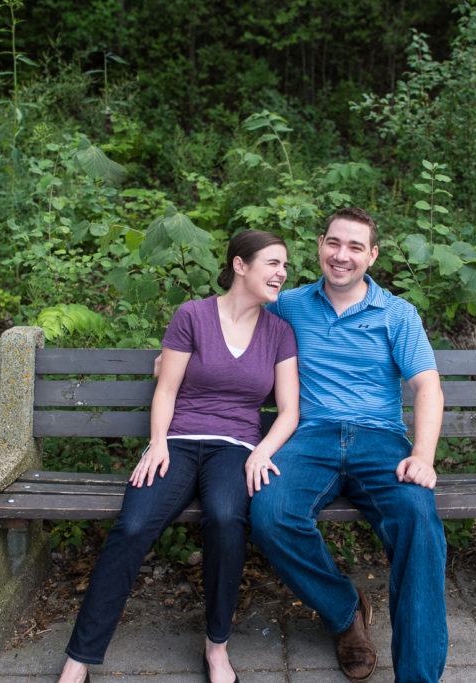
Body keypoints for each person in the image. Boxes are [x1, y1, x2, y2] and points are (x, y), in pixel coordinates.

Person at [58, 230, 300, 683]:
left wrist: (262, 452)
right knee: (132, 526)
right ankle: (81, 655)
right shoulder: (192, 315)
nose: (282, 273)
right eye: (272, 263)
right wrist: (159, 441)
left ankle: (217, 646)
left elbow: (289, 411)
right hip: (180, 440)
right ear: (240, 265)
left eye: (285, 265)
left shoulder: (279, 332)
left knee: (228, 521)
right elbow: (166, 388)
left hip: (237, 447)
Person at [249, 207, 448, 683]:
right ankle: (344, 611)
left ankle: (418, 677)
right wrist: (175, 357)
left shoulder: (397, 314)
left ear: (372, 256)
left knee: (419, 522)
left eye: (355, 247)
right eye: (334, 243)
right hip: (308, 436)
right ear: (320, 244)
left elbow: (428, 388)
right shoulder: (288, 305)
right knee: (269, 514)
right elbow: (228, 324)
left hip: (380, 441)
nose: (342, 256)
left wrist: (422, 456)